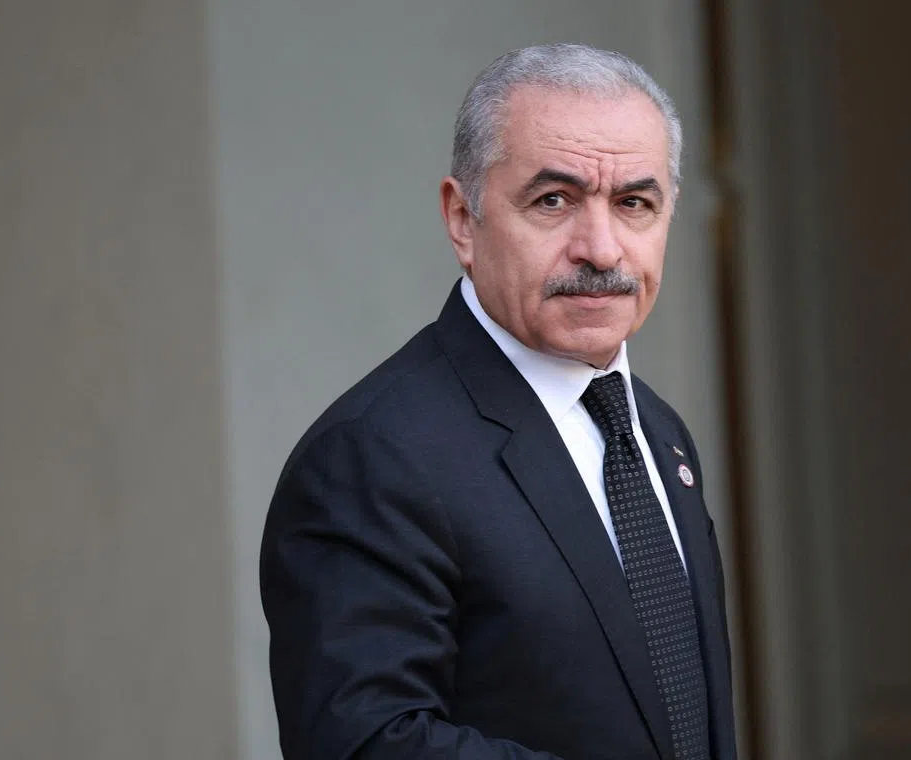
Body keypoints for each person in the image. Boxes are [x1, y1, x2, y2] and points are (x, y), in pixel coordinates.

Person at [260, 43, 737, 760]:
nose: (602, 249)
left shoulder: (656, 432)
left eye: (634, 203)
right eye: (554, 201)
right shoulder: (372, 457)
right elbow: (363, 744)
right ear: (463, 219)